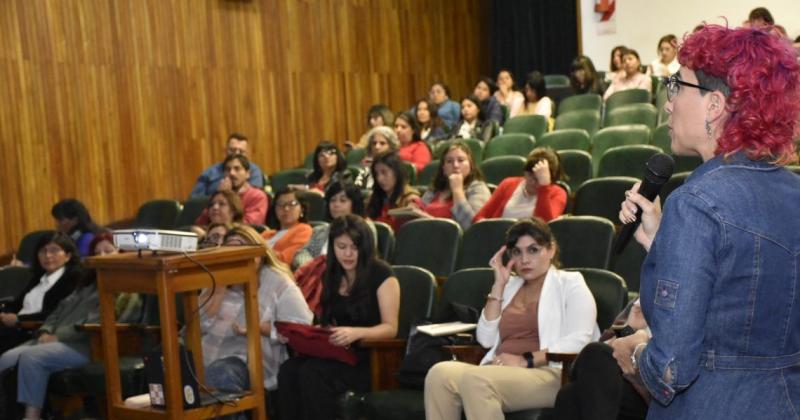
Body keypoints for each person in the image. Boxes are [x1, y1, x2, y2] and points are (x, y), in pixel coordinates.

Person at [613, 25, 800, 418]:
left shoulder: (695, 203)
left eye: (676, 86)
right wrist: (662, 241)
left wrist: (637, 351)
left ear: (715, 105)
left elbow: (671, 368)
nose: (668, 103)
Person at [424, 218, 599, 419]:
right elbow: (486, 339)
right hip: (500, 369)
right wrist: (498, 285)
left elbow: (580, 339)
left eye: (533, 250)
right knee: (439, 374)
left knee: (477, 379)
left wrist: (526, 360)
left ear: (550, 250)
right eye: (517, 252)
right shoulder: (510, 286)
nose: (524, 259)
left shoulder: (570, 283)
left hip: (551, 373)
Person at [277, 214, 400, 420]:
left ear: (365, 247)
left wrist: (355, 333)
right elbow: (325, 322)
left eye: (354, 247)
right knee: (289, 370)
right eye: (341, 247)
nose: (348, 254)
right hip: (338, 354)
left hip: (370, 359)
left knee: (312, 373)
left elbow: (390, 328)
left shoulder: (382, 274)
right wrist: (304, 336)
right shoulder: (330, 274)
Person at [201, 224, 312, 420]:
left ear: (259, 254)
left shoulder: (278, 282)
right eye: (231, 251)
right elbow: (198, 326)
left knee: (219, 375)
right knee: (165, 368)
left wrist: (260, 328)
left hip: (249, 361)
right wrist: (217, 291)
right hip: (206, 355)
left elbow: (301, 330)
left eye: (245, 249)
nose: (239, 257)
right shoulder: (216, 280)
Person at [0, 243, 96, 420]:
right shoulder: (83, 286)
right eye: (97, 253)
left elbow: (96, 322)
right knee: (6, 358)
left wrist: (58, 336)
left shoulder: (113, 289)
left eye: (107, 251)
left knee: (31, 357)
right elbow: (56, 312)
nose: (102, 256)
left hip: (84, 343)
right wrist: (45, 331)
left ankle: (32, 416)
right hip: (52, 339)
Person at [551, 300, 650, 420]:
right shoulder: (642, 300)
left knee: (596, 353)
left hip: (656, 396)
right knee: (569, 395)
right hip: (620, 383)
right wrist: (630, 328)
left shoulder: (677, 308)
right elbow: (606, 345)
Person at [0, 232, 83, 356]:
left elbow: (56, 314)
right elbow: (17, 303)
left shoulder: (73, 279)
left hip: (35, 331)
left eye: (54, 251)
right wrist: (4, 313)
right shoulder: (39, 277)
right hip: (15, 327)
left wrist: (18, 319)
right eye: (43, 251)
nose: (47, 255)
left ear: (68, 256)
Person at [474, 147, 567, 222]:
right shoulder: (508, 184)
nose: (532, 181)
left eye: (537, 179)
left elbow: (545, 225)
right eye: (530, 175)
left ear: (549, 178)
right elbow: (479, 217)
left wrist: (544, 188)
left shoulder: (558, 193)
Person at [292, 181, 366, 270]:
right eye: (332, 200)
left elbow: (363, 259)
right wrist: (314, 267)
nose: (336, 205)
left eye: (343, 200)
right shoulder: (320, 230)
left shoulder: (364, 229)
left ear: (354, 204)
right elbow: (302, 253)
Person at [418, 142, 490, 230]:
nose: (455, 165)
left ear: (471, 166)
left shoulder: (478, 188)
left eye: (461, 160)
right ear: (443, 169)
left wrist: (457, 191)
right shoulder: (434, 190)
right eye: (449, 161)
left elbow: (474, 228)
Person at [197, 154, 268, 225]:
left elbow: (249, 224)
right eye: (228, 169)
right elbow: (202, 222)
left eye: (237, 169)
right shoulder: (220, 193)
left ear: (248, 174)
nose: (231, 173)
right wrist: (220, 195)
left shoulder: (257, 196)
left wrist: (229, 196)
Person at [190, 133, 265, 198]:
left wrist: (227, 194)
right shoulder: (209, 172)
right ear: (225, 151)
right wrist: (217, 194)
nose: (237, 154)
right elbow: (195, 201)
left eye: (241, 151)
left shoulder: (253, 170)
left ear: (247, 154)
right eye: (232, 150)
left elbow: (254, 197)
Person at [365, 152, 423, 232]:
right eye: (376, 174)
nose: (379, 179)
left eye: (384, 172)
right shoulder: (374, 197)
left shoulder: (411, 200)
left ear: (397, 172)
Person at [261, 189, 313, 265]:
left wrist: (259, 255)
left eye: (292, 204)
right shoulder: (267, 233)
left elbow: (287, 259)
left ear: (302, 209)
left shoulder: (304, 230)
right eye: (280, 204)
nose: (286, 209)